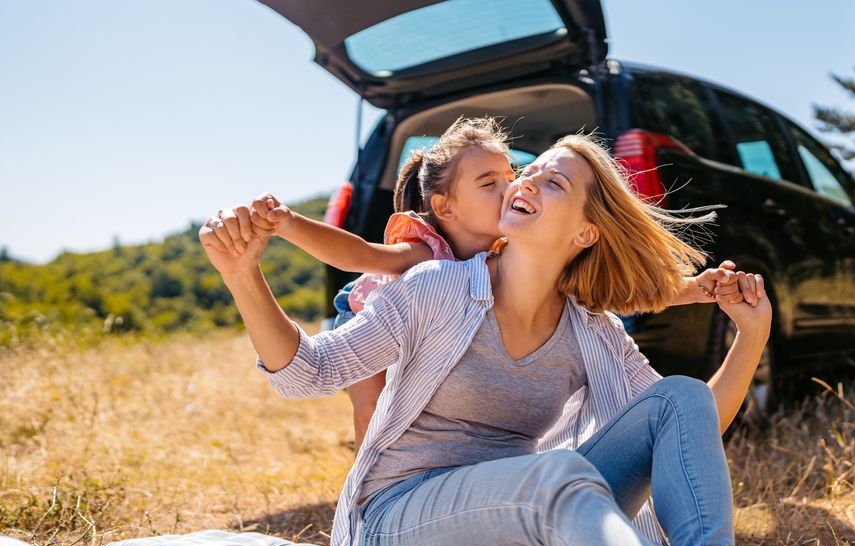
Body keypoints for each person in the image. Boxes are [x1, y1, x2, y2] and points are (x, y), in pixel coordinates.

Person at [199, 134, 855, 546]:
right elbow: (306, 373)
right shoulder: (432, 290)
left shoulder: (589, 329)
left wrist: (752, 336)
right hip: (402, 532)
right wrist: (244, 275)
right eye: (529, 170)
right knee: (553, 477)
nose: (529, 180)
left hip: (513, 525)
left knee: (674, 396)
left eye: (555, 181)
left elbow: (694, 426)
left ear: (584, 232)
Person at [206, 117, 759, 451]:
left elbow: (614, 292)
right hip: (374, 321)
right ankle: (368, 493)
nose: (516, 187)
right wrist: (287, 226)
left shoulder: (531, 272)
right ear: (445, 206)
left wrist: (697, 291)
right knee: (374, 414)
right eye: (491, 183)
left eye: (514, 176)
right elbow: (358, 256)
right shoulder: (427, 260)